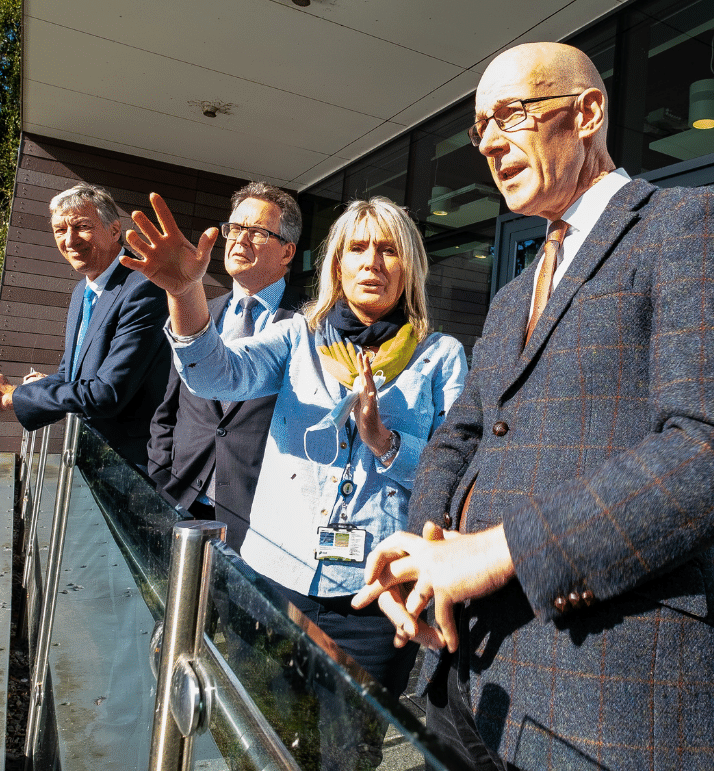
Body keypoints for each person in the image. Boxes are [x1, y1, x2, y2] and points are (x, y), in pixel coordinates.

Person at [351, 42, 714, 771]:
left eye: (510, 115)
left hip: (606, 704)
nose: (489, 140)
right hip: (467, 683)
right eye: (478, 127)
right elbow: (463, 436)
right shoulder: (513, 292)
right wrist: (422, 560)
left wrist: (498, 554)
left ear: (586, 113)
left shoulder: (696, 224)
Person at [121, 193, 467, 756]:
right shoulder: (297, 337)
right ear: (336, 264)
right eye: (356, 248)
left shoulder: (440, 356)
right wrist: (183, 292)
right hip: (274, 580)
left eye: (388, 250)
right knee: (265, 736)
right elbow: (214, 374)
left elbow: (456, 471)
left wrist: (386, 442)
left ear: (411, 267)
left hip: (374, 595)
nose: (372, 262)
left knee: (348, 751)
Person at [0, 184, 169, 471]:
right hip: (95, 459)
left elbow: (106, 394)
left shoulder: (144, 286)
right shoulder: (82, 291)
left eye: (81, 226)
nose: (70, 240)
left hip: (142, 466)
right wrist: (14, 391)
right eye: (60, 230)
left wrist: (13, 395)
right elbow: (71, 375)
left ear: (115, 231)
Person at [146, 181, 304, 550]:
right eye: (234, 229)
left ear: (287, 252)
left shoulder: (310, 324)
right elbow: (170, 405)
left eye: (258, 233)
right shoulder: (198, 313)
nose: (239, 240)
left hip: (261, 517)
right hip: (181, 498)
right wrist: (161, 471)